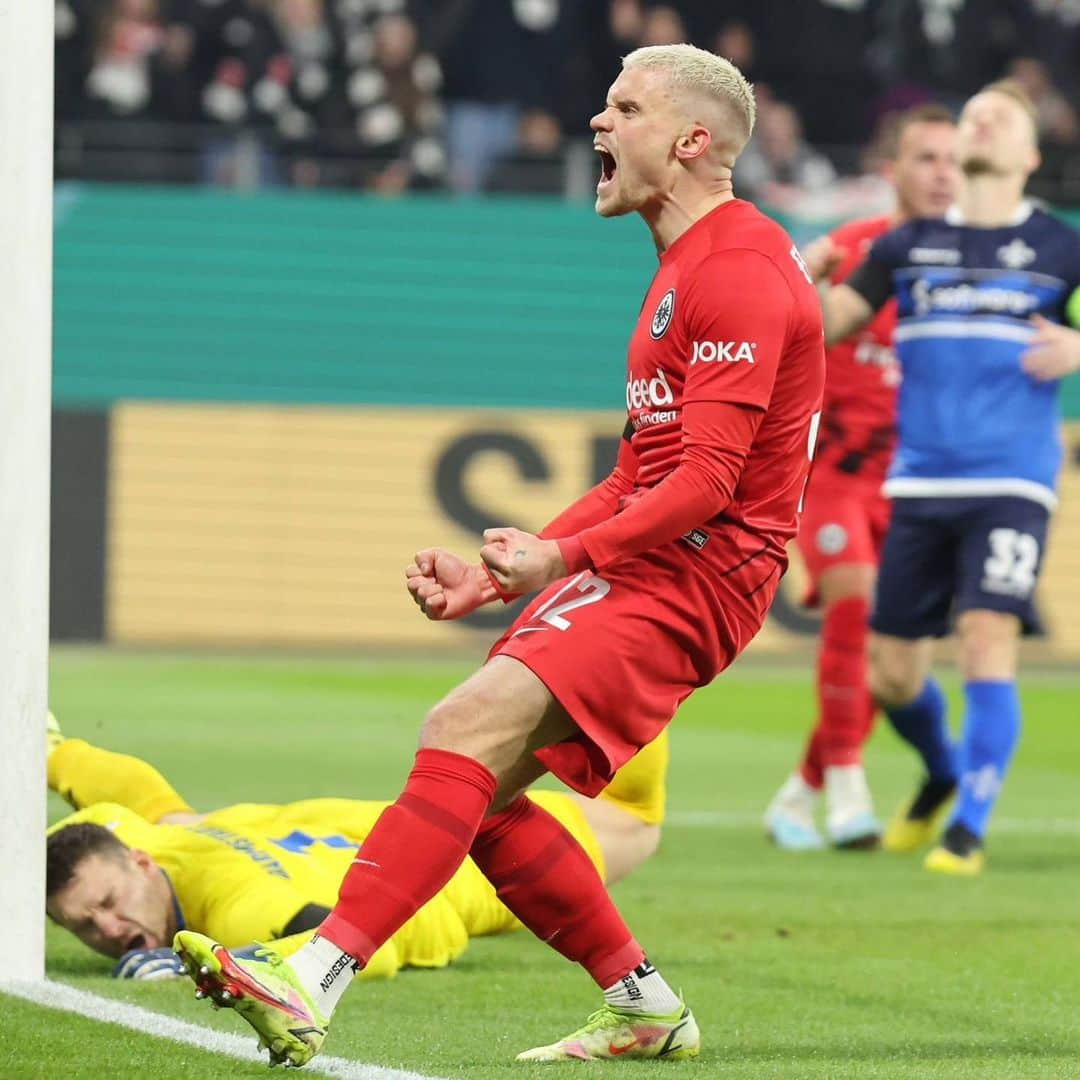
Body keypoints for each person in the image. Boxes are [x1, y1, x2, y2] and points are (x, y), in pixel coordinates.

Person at [173, 43, 825, 1067]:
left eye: (625, 108)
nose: (598, 124)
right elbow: (637, 473)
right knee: (475, 791)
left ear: (694, 140)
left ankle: (312, 975)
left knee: (461, 725)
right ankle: (642, 1004)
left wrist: (564, 557)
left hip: (700, 573)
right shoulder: (685, 269)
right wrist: (503, 570)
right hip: (659, 561)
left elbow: (704, 485)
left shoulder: (738, 272)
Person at [815, 79, 1080, 875]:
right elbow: (824, 328)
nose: (983, 120)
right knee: (893, 673)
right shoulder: (904, 248)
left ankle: (967, 829)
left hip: (1013, 480)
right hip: (919, 483)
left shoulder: (1063, 248)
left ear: (1030, 154)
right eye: (973, 114)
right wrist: (802, 276)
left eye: (1002, 117)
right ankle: (941, 770)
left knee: (986, 633)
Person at [44, 720, 667, 979]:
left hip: (476, 862)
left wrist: (201, 971)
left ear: (139, 865)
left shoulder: (239, 906)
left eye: (106, 901)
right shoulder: (146, 841)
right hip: (395, 823)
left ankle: (649, 636)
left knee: (632, 822)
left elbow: (349, 948)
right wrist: (51, 753)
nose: (108, 927)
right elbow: (137, 796)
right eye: (84, 924)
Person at [764, 104, 960, 851]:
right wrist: (803, 280)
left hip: (916, 486)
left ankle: (797, 794)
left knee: (888, 661)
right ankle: (847, 787)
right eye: (926, 158)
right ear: (894, 171)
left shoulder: (969, 271)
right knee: (857, 597)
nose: (942, 174)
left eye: (953, 161)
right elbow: (785, 329)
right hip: (833, 475)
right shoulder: (854, 253)